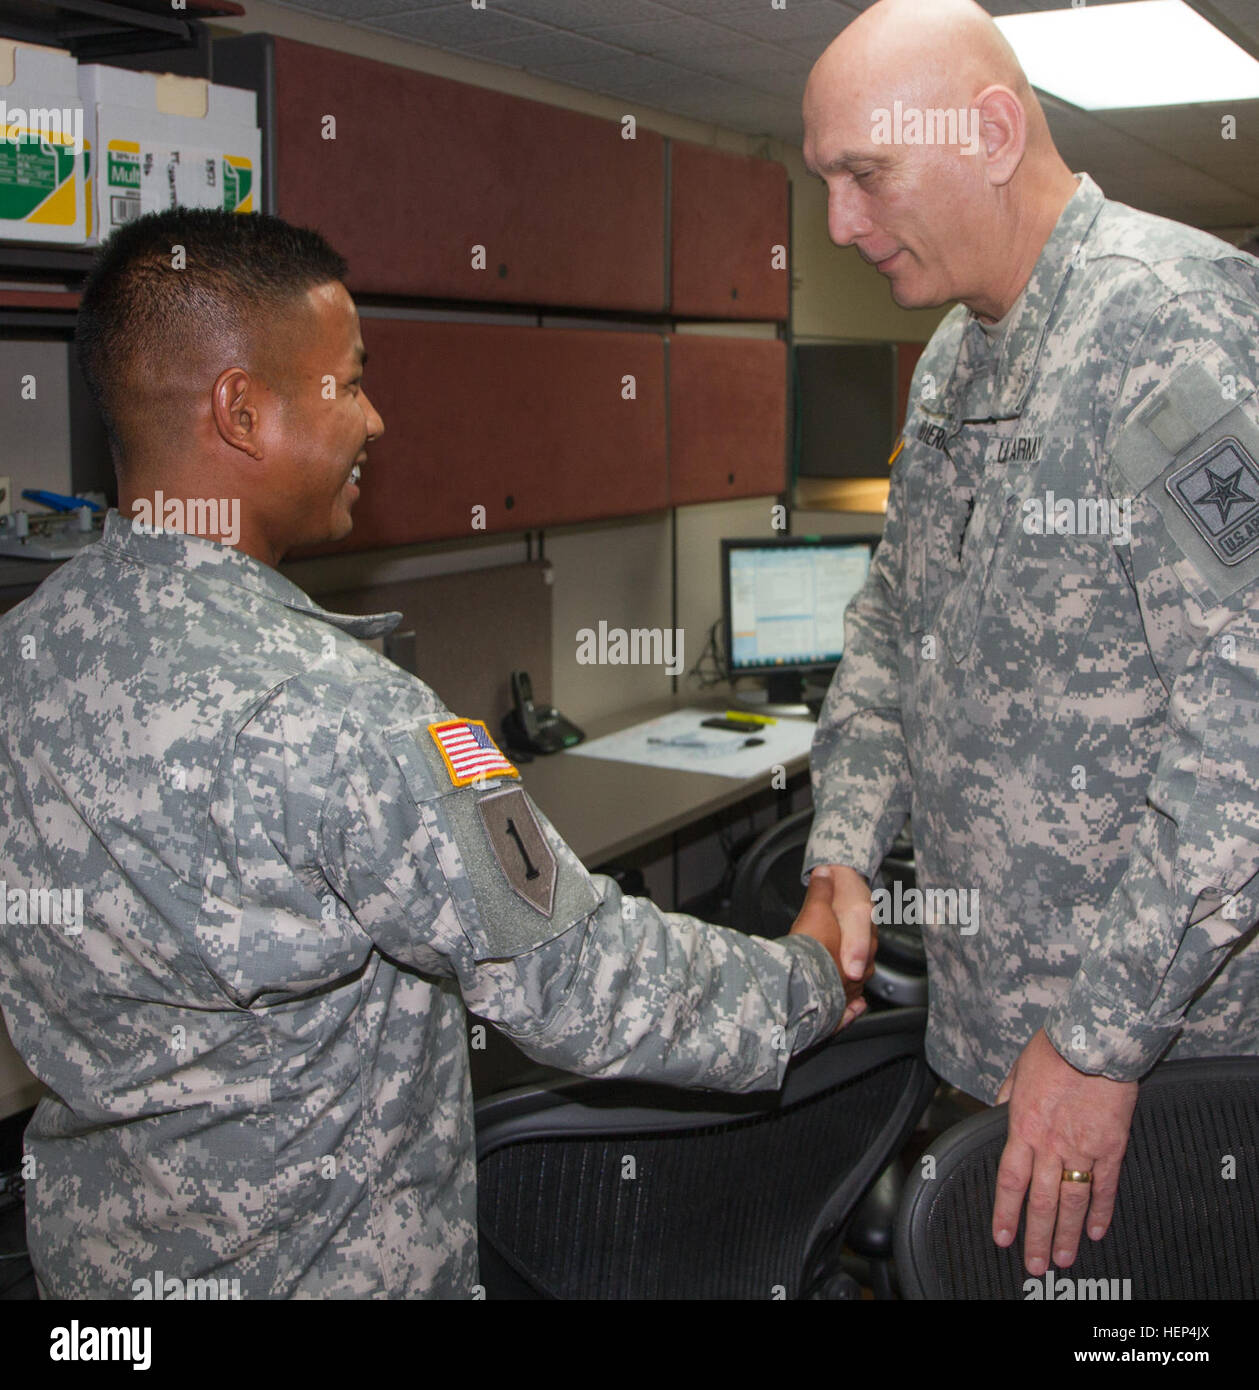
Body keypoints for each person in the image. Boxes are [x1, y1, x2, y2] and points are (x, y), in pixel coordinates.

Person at [0, 208, 860, 1299]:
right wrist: (806, 978)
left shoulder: (22, 654)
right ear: (241, 411)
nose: (376, 417)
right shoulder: (352, 712)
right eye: (348, 382)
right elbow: (583, 974)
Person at [801, 0, 1259, 1283]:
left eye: (864, 174)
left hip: (1163, 1065)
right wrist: (839, 848)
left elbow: (1247, 723)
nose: (840, 221)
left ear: (990, 133)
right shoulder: (950, 357)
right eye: (822, 180)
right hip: (992, 1037)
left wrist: (1102, 1041)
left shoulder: (1167, 327)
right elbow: (893, 631)